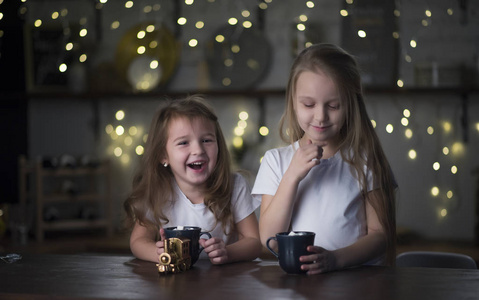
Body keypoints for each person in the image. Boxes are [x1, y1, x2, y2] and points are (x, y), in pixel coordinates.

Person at [252, 43, 397, 275]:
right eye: (309, 104)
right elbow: (270, 240)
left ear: (351, 103)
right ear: (293, 101)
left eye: (333, 105)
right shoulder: (276, 161)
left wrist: (336, 259)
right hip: (301, 286)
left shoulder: (366, 160)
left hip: (359, 281)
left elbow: (381, 235)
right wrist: (292, 176)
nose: (321, 116)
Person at [124, 95, 262, 265]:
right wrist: (159, 253)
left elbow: (254, 241)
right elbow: (138, 241)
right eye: (183, 143)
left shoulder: (234, 185)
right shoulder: (158, 190)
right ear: (163, 155)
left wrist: (228, 252)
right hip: (175, 286)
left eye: (206, 140)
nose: (198, 150)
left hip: (226, 284)